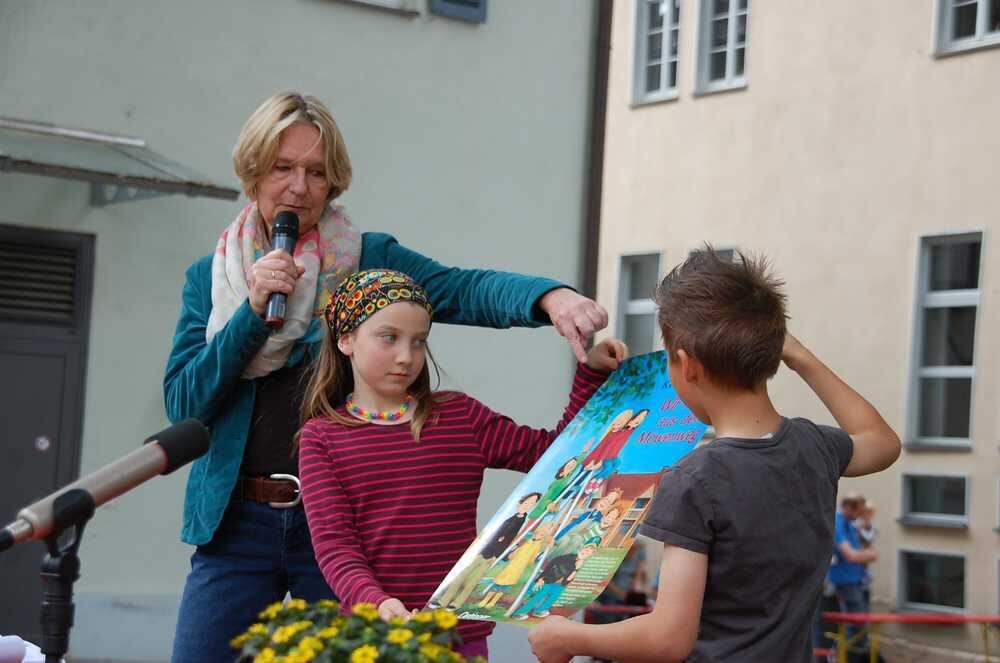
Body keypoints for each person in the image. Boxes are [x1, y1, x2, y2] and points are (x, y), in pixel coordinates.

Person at [163, 91, 609, 662]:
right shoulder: (212, 277)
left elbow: (462, 288)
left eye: (316, 173)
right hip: (236, 524)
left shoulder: (367, 258)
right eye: (283, 168)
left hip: (345, 531)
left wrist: (550, 297)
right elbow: (184, 402)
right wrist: (251, 316)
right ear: (253, 171)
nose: (299, 187)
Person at [528, 248, 900, 663]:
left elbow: (668, 638)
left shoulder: (694, 480)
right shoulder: (813, 447)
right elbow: (882, 442)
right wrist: (799, 355)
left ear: (686, 365)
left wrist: (568, 637)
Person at [296, 269, 626, 660]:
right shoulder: (322, 438)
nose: (406, 356)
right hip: (373, 638)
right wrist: (377, 603)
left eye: (419, 342)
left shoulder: (459, 416)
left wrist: (590, 373)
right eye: (390, 338)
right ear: (346, 339)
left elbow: (556, 456)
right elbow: (336, 547)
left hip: (460, 637)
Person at [434, 491, 542, 610]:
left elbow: (514, 536)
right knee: (460, 577)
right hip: (483, 551)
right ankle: (442, 601)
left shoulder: (523, 521)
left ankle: (456, 604)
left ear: (534, 506)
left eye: (532, 503)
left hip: (493, 555)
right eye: (526, 502)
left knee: (472, 582)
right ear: (520, 503)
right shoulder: (512, 517)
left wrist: (505, 542)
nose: (527, 505)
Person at [828, 493, 878, 652]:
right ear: (849, 508)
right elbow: (851, 555)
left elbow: (862, 548)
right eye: (858, 512)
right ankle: (843, 655)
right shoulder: (837, 522)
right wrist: (868, 554)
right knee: (855, 624)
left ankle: (849, 653)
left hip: (856, 579)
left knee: (860, 624)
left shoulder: (849, 523)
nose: (859, 516)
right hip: (844, 581)